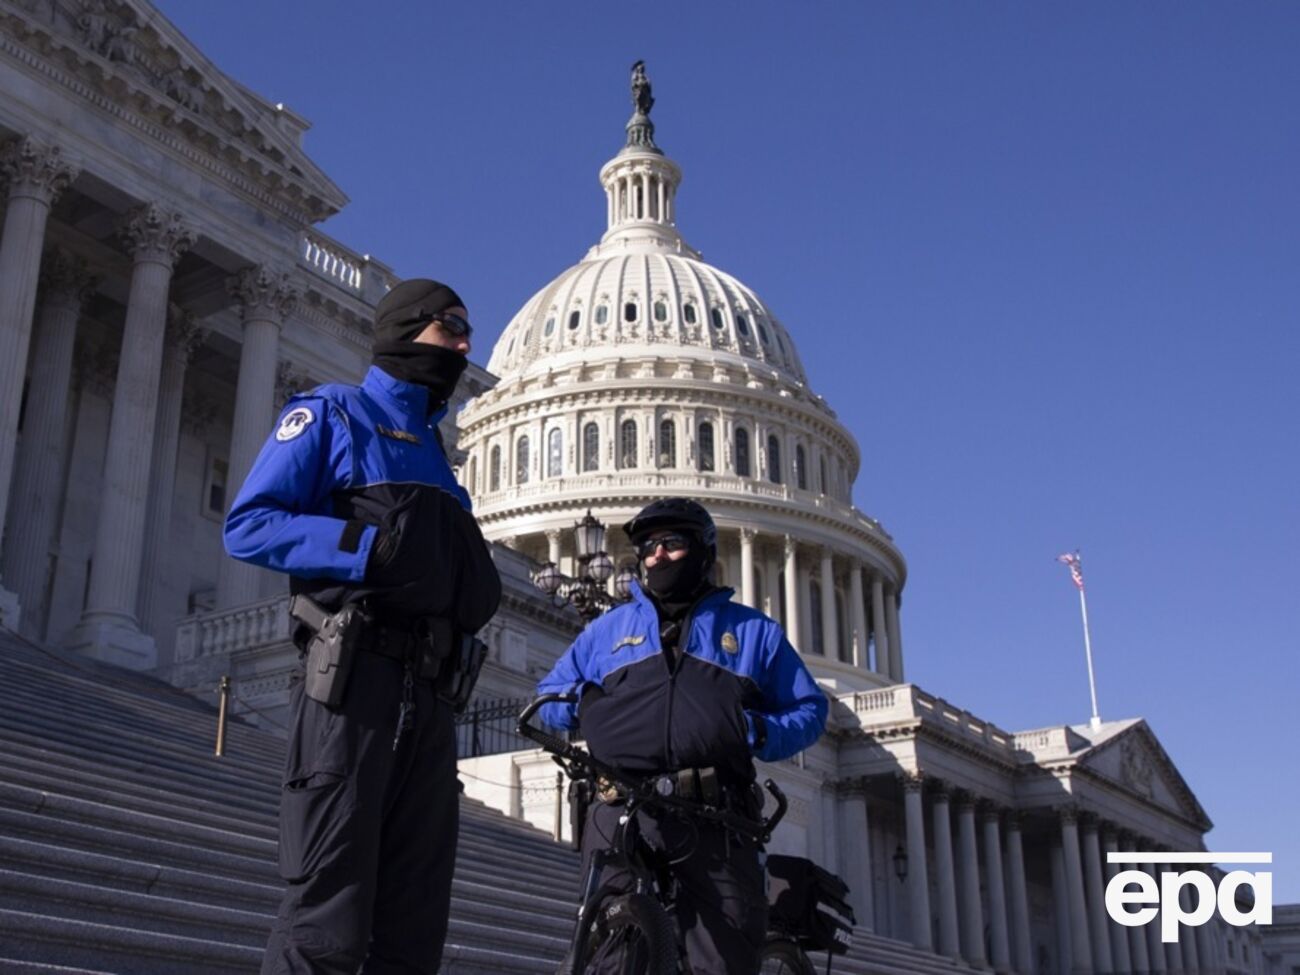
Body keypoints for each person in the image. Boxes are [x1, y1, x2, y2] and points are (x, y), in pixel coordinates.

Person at [224, 278, 502, 974]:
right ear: (405, 330)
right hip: (354, 686)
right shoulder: (333, 413)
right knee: (328, 915)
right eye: (450, 327)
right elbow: (250, 524)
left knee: (413, 927)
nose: (465, 345)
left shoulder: (437, 454)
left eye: (467, 331)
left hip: (432, 699)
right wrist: (362, 548)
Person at [536, 498, 828, 975]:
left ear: (703, 552)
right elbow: (549, 695)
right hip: (622, 805)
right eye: (648, 546)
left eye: (672, 543)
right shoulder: (606, 631)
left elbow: (810, 710)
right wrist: (586, 708)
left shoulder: (753, 632)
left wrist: (755, 730)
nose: (657, 555)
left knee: (721, 958)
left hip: (713, 814)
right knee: (612, 956)